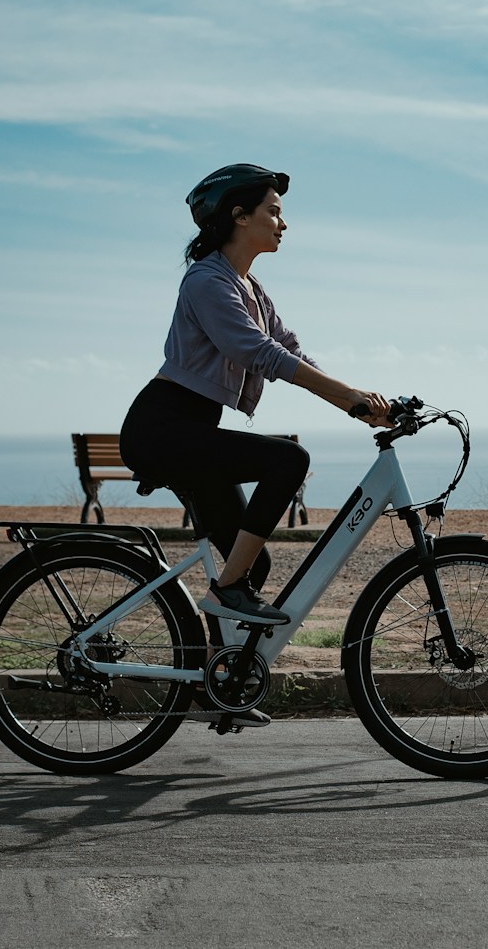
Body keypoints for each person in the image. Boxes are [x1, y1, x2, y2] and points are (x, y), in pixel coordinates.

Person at [119, 163, 392, 638]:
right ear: (240, 216)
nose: (283, 223)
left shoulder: (251, 288)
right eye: (274, 211)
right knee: (288, 462)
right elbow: (255, 350)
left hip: (193, 431)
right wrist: (346, 398)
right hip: (162, 430)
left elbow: (289, 348)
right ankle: (225, 596)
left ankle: (219, 683)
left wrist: (359, 401)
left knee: (252, 568)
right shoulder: (206, 281)